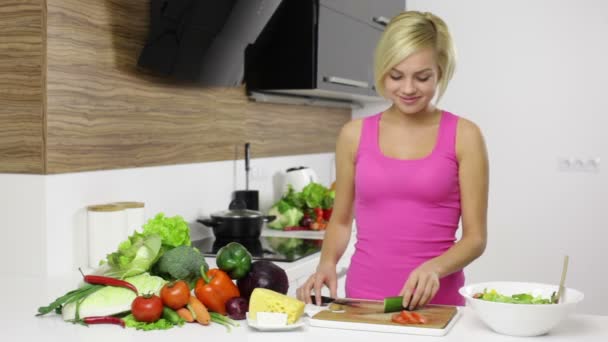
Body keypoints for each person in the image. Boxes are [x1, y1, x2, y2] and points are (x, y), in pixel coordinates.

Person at [296, 11, 489, 310]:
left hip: (437, 305)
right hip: (363, 299)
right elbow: (342, 219)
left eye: (422, 77)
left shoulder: (465, 136)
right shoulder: (353, 135)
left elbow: (475, 238)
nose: (408, 89)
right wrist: (327, 263)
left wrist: (434, 268)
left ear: (441, 71)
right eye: (396, 76)